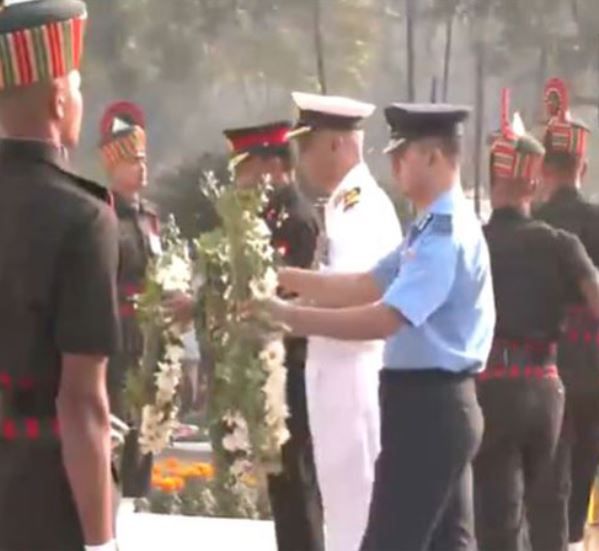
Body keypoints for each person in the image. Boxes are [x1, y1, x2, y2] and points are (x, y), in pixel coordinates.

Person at [270, 103, 492, 551]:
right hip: (435, 405)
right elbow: (365, 283)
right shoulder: (428, 226)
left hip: (430, 407)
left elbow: (385, 316)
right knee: (449, 543)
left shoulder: (444, 231)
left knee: (390, 541)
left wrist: (288, 317)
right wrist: (280, 278)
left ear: (432, 156)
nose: (392, 165)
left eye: (402, 154)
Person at [0, 1, 119, 550]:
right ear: (57, 98)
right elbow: (81, 402)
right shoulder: (82, 217)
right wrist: (101, 543)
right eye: (75, 86)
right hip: (39, 493)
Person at [475, 89, 599, 551]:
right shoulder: (562, 243)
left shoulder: (474, 243)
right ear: (534, 180)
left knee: (500, 517)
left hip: (493, 382)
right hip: (553, 385)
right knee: (553, 507)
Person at [282, 92, 402, 551]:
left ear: (334, 145)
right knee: (343, 514)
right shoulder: (341, 204)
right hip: (337, 376)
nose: (301, 162)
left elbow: (354, 293)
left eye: (305, 147)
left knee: (355, 518)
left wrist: (285, 316)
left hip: (353, 378)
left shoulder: (358, 206)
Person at [225, 120, 325, 551]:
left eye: (245, 167)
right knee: (282, 482)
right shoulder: (261, 217)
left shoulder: (298, 219)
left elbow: (293, 296)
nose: (240, 179)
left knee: (296, 479)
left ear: (270, 164)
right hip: (269, 366)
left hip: (294, 367)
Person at [532, 77, 599, 551]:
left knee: (543, 485)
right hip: (593, 369)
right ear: (584, 165)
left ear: (540, 169)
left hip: (538, 368)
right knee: (583, 472)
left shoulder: (532, 225)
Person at [99, 100, 160, 498]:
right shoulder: (101, 213)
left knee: (149, 418)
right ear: (112, 164)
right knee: (117, 418)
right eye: (132, 159)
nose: (141, 166)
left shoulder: (151, 216)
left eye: (143, 158)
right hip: (115, 333)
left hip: (150, 334)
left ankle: (140, 495)